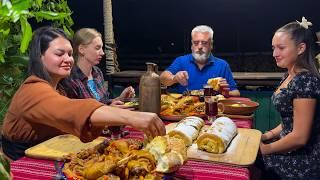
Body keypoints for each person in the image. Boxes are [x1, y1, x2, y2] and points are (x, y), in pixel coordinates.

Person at [1, 26, 166, 160]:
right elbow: (70, 109)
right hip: (22, 162)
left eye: (69, 54)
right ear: (40, 57)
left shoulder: (59, 87)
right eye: (59, 54)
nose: (68, 59)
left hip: (47, 153)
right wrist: (133, 117)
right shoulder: (33, 89)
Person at [257, 17, 320, 179]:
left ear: (300, 48)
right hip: (288, 149)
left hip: (303, 161)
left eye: (281, 48)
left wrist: (265, 149)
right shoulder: (288, 75)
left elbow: (299, 137)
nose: (274, 54)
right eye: (273, 48)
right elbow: (289, 121)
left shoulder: (305, 80)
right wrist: (266, 135)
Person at [61, 28, 135, 108]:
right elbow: (78, 114)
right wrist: (110, 109)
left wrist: (121, 98)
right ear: (81, 49)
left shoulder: (97, 72)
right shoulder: (71, 79)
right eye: (97, 48)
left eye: (101, 48)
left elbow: (104, 103)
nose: (102, 53)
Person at [160, 25, 240, 96]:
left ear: (211, 45)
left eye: (204, 43)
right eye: (196, 43)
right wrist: (174, 78)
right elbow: (163, 79)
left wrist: (225, 93)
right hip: (185, 109)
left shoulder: (222, 65)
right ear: (192, 45)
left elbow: (236, 92)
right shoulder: (181, 61)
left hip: (213, 109)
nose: (200, 47)